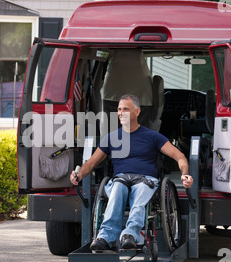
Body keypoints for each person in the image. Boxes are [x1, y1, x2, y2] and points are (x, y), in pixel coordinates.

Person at [70, 94, 193, 251]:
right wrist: (78, 175)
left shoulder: (152, 136)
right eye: (120, 109)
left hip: (145, 180)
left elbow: (179, 156)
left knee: (140, 192)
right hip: (120, 179)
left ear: (137, 112)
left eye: (126, 109)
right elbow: (92, 163)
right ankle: (104, 237)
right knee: (117, 188)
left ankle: (130, 235)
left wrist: (185, 174)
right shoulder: (111, 138)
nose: (121, 113)